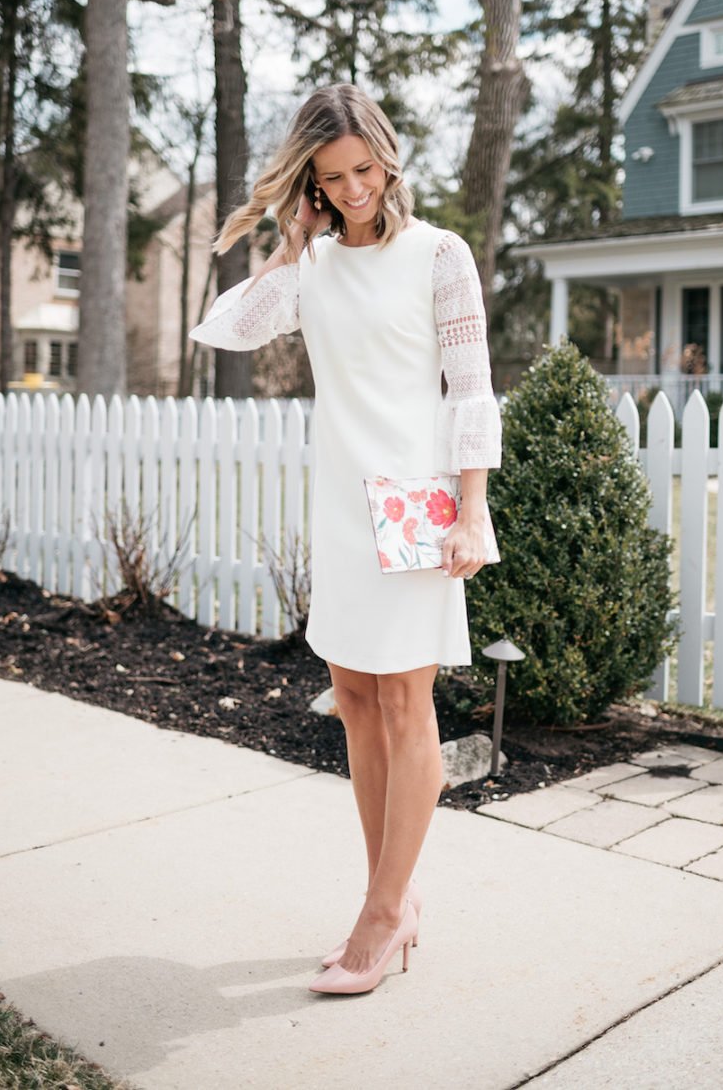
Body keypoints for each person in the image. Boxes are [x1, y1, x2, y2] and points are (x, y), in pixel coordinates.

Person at [189, 83, 502, 996]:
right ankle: (390, 898)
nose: (356, 188)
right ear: (313, 183)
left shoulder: (440, 255)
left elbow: (472, 390)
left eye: (365, 168)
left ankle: (380, 913)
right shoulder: (313, 265)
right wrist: (290, 244)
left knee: (407, 706)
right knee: (357, 701)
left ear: (388, 157)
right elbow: (230, 329)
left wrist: (472, 510)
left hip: (414, 502)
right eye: (334, 177)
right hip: (339, 503)